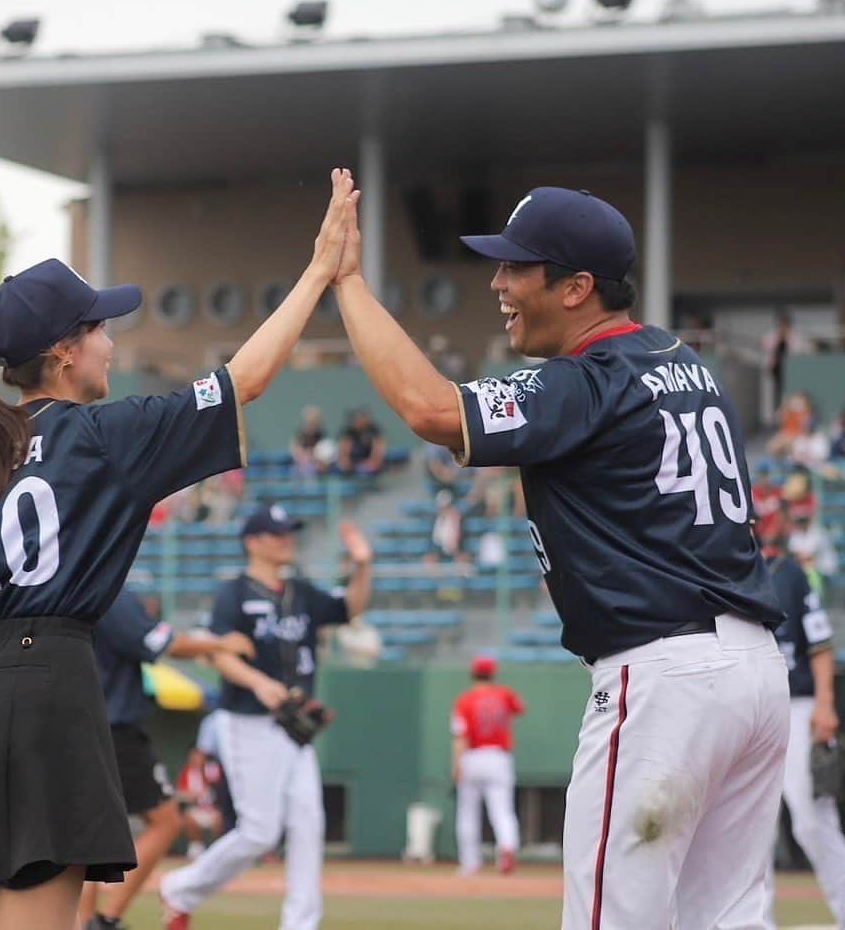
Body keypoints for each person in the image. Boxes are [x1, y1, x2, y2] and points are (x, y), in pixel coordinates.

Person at [0, 167, 359, 928]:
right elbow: (243, 381)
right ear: (63, 350)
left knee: (19, 916)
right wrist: (320, 271)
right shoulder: (100, 437)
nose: (110, 341)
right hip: (43, 688)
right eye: (98, 329)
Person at [332, 184, 790, 928]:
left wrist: (346, 282)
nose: (499, 285)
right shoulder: (683, 361)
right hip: (755, 672)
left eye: (518, 268)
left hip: (666, 677)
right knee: (729, 919)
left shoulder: (590, 378)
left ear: (577, 288)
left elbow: (432, 411)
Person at [159, 509, 373, 930]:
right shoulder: (234, 593)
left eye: (288, 533)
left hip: (295, 727)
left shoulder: (301, 592)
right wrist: (258, 682)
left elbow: (350, 607)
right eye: (277, 535)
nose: (286, 541)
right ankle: (181, 888)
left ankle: (301, 924)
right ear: (252, 541)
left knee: (309, 825)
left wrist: (363, 565)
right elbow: (219, 653)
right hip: (248, 720)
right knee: (259, 832)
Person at [79, 587, 254, 930]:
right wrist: (218, 644)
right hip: (114, 727)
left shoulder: (75, 585)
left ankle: (86, 921)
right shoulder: (110, 592)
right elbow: (165, 644)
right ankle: (104, 919)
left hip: (81, 722)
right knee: (165, 820)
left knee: (84, 835)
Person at [764, 540, 845, 929]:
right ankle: (756, 922)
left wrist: (826, 704)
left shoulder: (789, 574)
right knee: (749, 829)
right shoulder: (713, 568)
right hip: (747, 706)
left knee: (813, 820)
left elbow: (821, 644)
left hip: (798, 704)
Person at [451, 655, 524, 876]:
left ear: (473, 674)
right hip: (499, 756)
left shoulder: (464, 700)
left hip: (472, 756)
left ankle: (470, 863)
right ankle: (507, 848)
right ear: (493, 674)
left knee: (467, 812)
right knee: (502, 811)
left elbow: (459, 736)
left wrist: (456, 764)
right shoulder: (505, 695)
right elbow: (520, 707)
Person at [335, 407, 386, 476]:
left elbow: (378, 449)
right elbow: (343, 450)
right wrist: (344, 461)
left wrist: (373, 461)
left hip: (368, 461)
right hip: (353, 462)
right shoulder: (349, 431)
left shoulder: (373, 430)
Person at [290, 405, 328, 478]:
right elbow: (295, 451)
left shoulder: (322, 435)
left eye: (314, 419)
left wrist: (314, 457)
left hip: (316, 466)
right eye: (309, 420)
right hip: (302, 465)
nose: (311, 422)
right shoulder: (300, 434)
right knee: (295, 470)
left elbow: (323, 455)